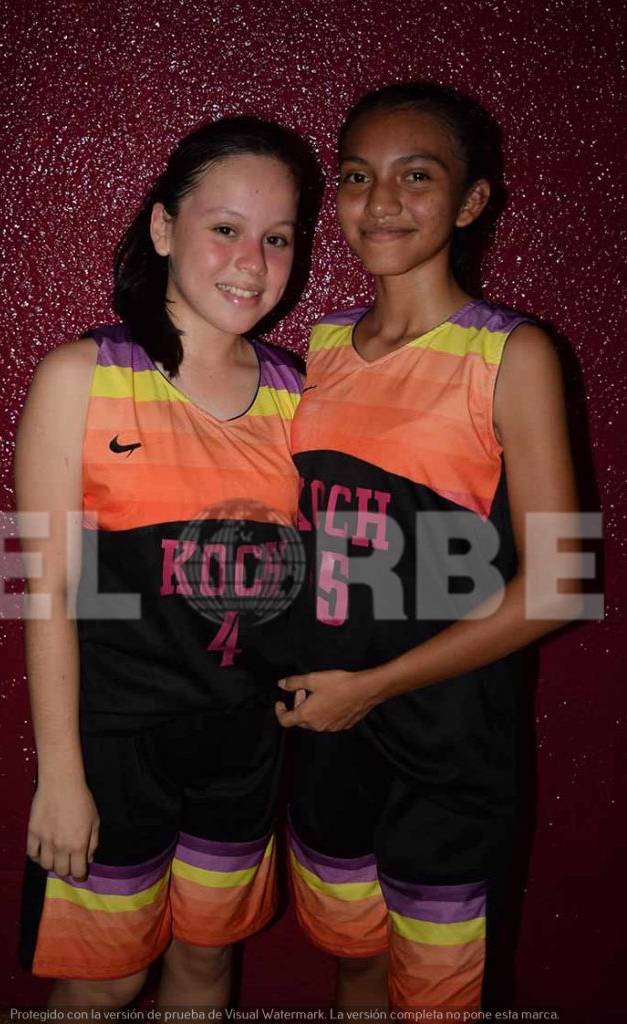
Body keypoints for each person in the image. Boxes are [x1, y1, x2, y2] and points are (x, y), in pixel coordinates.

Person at [275, 83, 583, 1012]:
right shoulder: (317, 351)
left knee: (439, 1002)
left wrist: (372, 687)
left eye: (416, 176)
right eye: (356, 176)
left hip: (448, 748)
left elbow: (561, 584)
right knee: (355, 965)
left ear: (471, 201)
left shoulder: (513, 355)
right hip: (326, 736)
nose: (380, 202)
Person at [16, 116, 308, 1009]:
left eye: (277, 238)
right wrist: (60, 775)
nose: (252, 263)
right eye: (225, 228)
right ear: (162, 228)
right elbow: (35, 586)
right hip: (114, 746)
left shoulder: (303, 396)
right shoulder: (79, 376)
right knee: (107, 982)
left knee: (206, 966)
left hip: (244, 745)